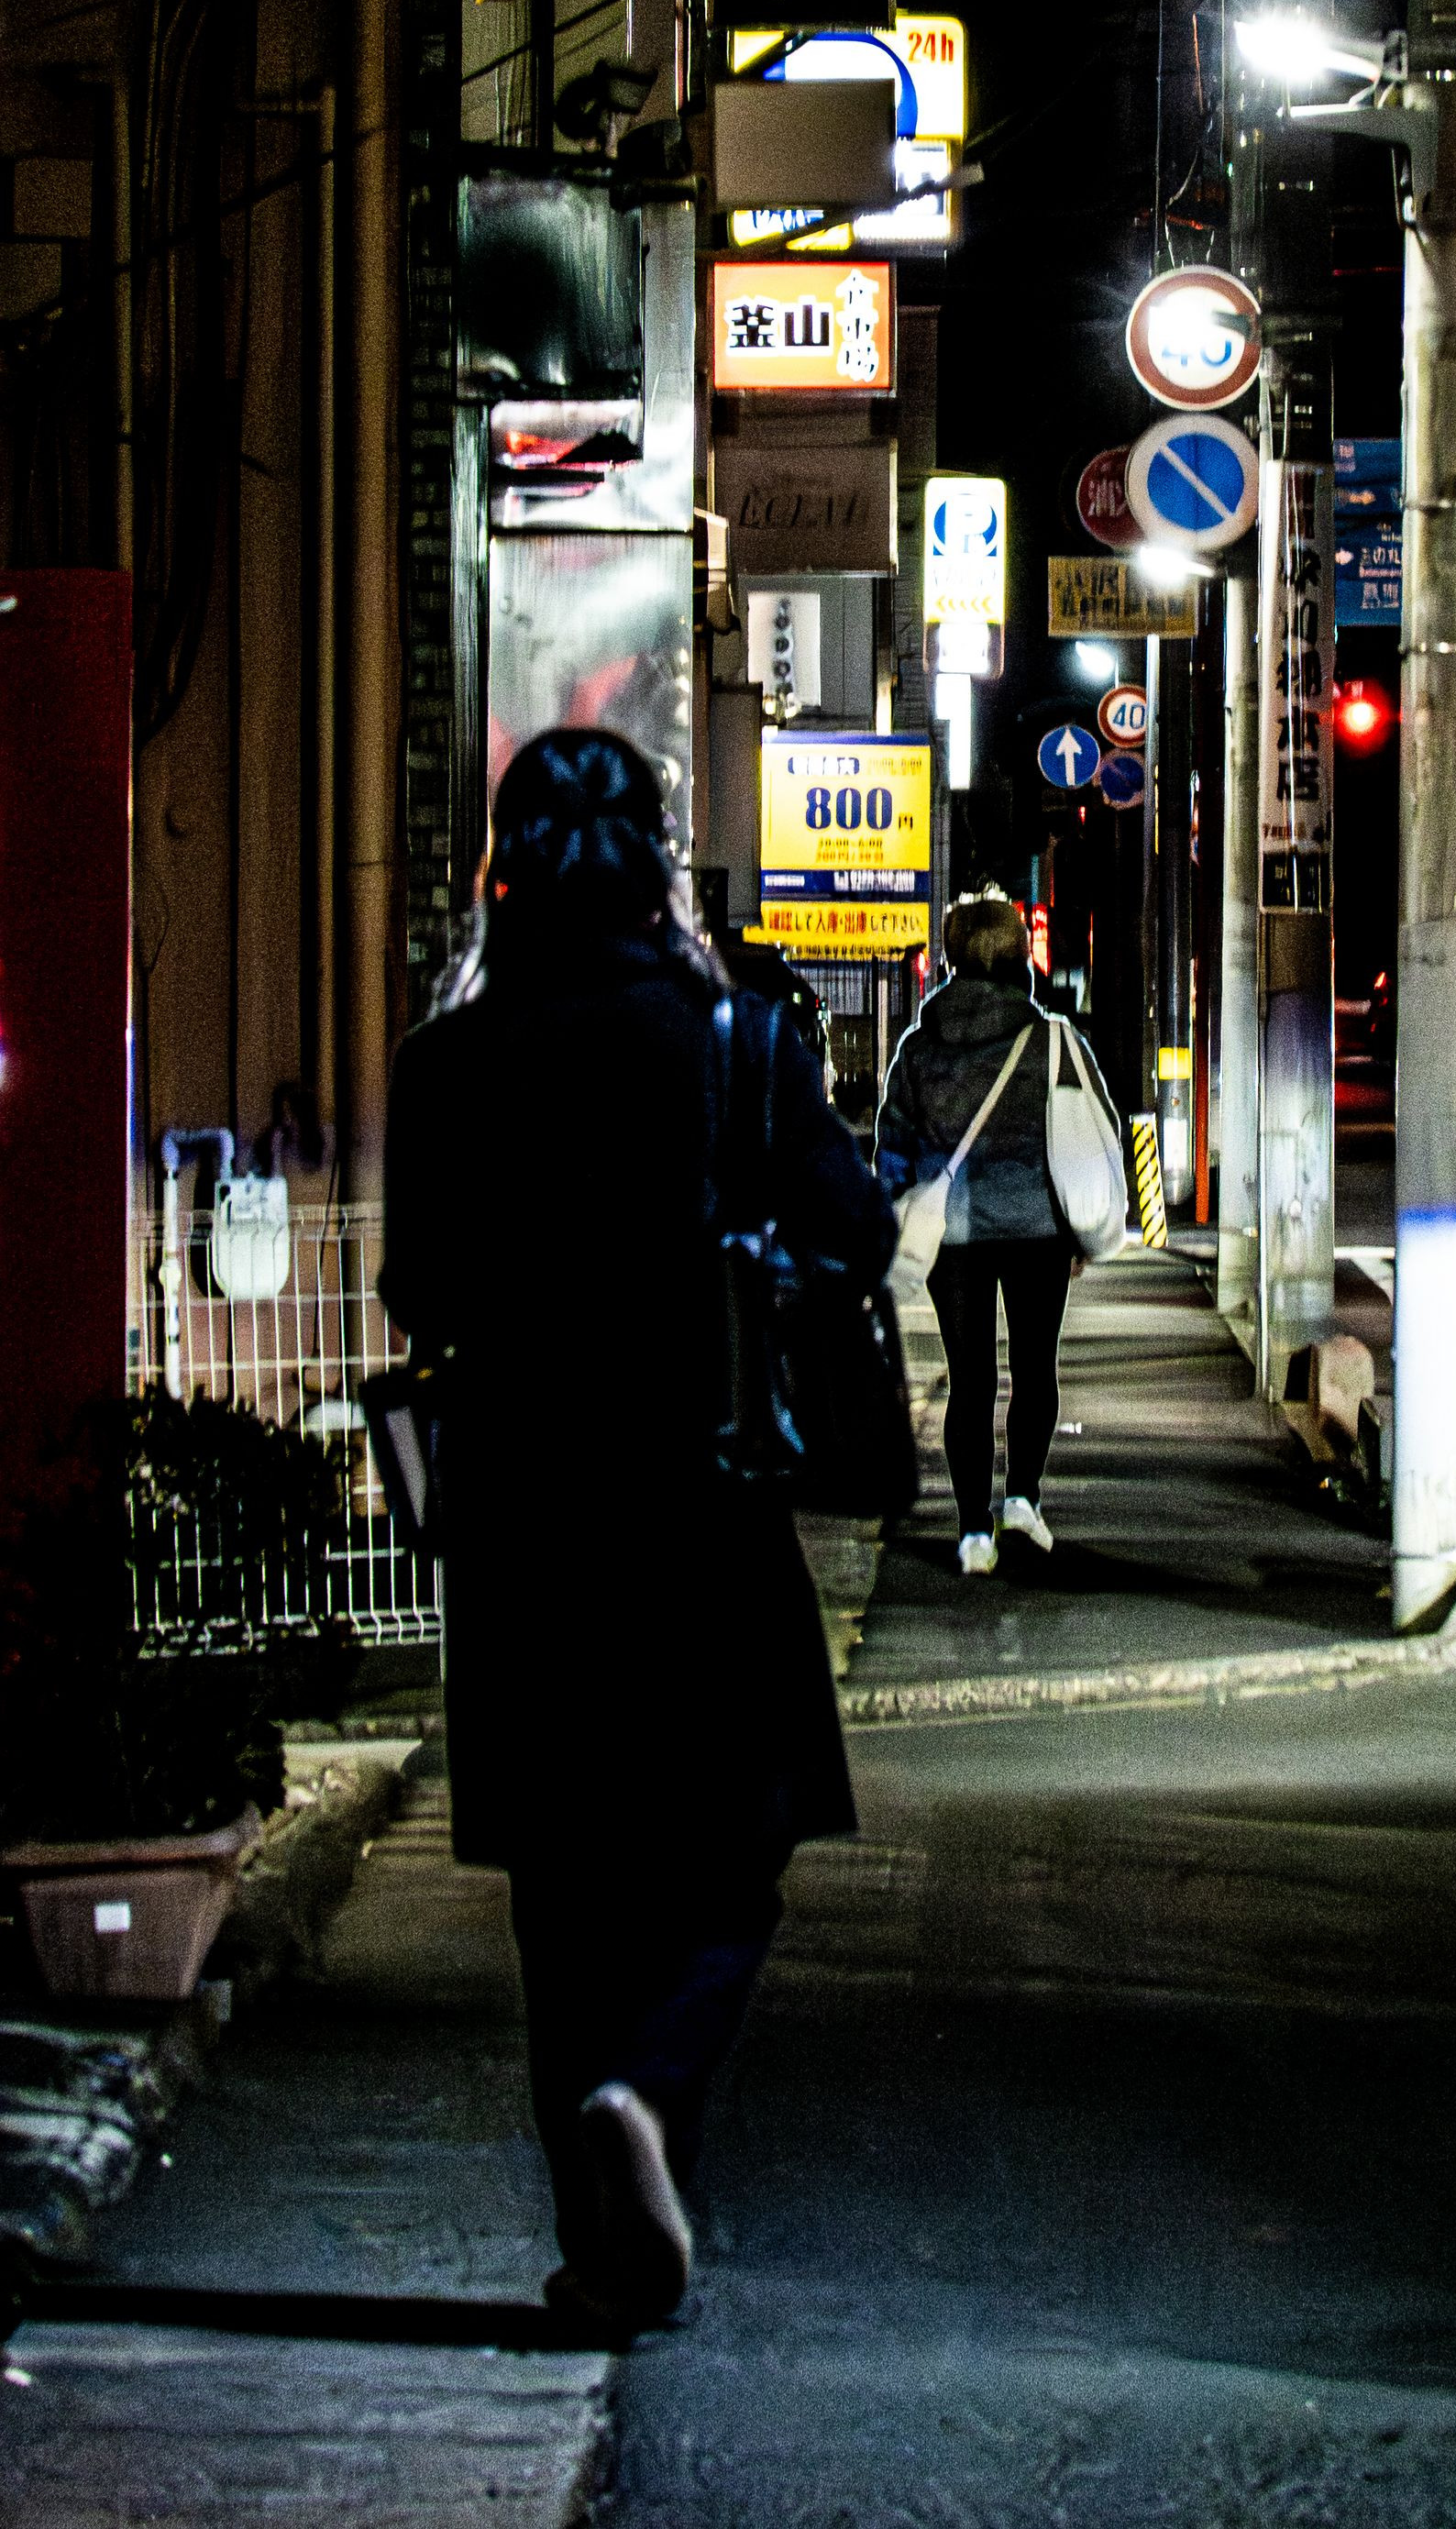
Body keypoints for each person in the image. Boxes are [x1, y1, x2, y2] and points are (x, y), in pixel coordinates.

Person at [381, 729, 894, 2334]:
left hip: (527, 1524)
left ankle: (599, 2243)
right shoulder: (735, 1040)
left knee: (563, 1891)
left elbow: (418, 1288)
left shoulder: (448, 1061)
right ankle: (649, 2094)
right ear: (662, 869)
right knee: (729, 1862)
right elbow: (855, 1227)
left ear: (504, 871)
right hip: (704, 1504)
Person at [874, 890, 1120, 1574]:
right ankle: (1022, 1499)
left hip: (952, 1236)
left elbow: (893, 1146)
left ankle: (972, 1531)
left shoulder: (919, 1048)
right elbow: (1094, 1127)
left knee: (970, 1380)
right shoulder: (1051, 1040)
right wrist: (1079, 1230)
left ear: (953, 957)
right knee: (1035, 1369)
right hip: (1039, 1229)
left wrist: (900, 1211)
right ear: (1018, 958)